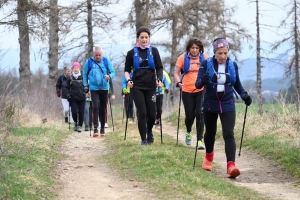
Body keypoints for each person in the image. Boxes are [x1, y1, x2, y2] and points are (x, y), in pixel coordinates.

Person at [195, 38, 252, 178]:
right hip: (210, 103)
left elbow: (236, 84)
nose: (222, 56)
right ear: (215, 52)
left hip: (227, 103)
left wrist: (244, 95)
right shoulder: (205, 64)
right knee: (210, 133)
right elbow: (197, 84)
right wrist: (204, 80)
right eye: (220, 53)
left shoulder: (232, 65)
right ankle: (208, 157)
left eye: (225, 53)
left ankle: (231, 166)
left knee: (229, 133)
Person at [124, 26, 163, 145]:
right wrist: (129, 80)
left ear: (149, 38)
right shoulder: (131, 53)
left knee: (152, 113)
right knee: (142, 112)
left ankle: (149, 131)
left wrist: (159, 79)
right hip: (137, 86)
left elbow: (159, 67)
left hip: (151, 85)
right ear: (138, 38)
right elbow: (126, 70)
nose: (144, 40)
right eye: (142, 37)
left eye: (146, 37)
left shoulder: (154, 51)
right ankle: (143, 139)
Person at [174, 37, 208, 149]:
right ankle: (189, 131)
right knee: (190, 116)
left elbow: (210, 71)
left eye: (196, 48)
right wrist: (179, 82)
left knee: (200, 113)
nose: (194, 50)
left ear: (200, 49)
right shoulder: (182, 58)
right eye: (192, 48)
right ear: (189, 48)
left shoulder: (205, 58)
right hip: (187, 90)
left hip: (201, 90)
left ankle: (199, 141)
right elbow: (176, 73)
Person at [83, 46, 116, 137]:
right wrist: (86, 86)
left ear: (102, 54)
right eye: (96, 55)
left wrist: (109, 76)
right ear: (94, 54)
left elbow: (113, 72)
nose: (98, 57)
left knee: (103, 108)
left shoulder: (106, 61)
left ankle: (102, 129)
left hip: (105, 88)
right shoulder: (89, 62)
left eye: (99, 55)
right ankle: (95, 128)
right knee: (95, 107)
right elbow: (85, 74)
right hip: (94, 89)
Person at [66, 62, 86, 132]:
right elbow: (66, 88)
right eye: (74, 68)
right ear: (72, 69)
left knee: (81, 112)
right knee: (74, 112)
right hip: (73, 98)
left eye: (77, 68)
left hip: (82, 98)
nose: (76, 69)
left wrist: (87, 91)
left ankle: (80, 126)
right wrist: (68, 95)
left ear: (79, 69)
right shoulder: (70, 78)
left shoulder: (83, 77)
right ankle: (76, 122)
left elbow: (87, 85)